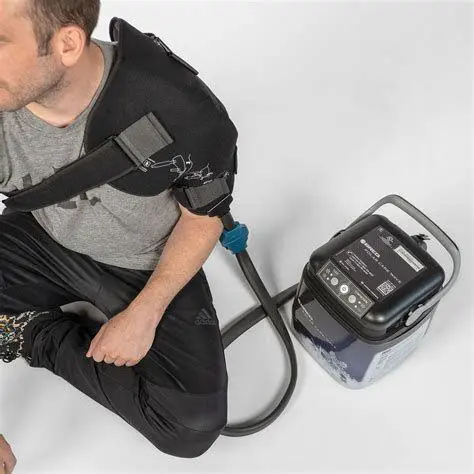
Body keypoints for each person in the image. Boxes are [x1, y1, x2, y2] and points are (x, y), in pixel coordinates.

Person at [0, 0, 230, 464]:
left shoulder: (177, 110)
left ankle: (38, 335)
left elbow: (204, 217)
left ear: (66, 43)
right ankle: (27, 324)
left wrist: (145, 313)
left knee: (188, 426)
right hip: (40, 239)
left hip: (144, 263)